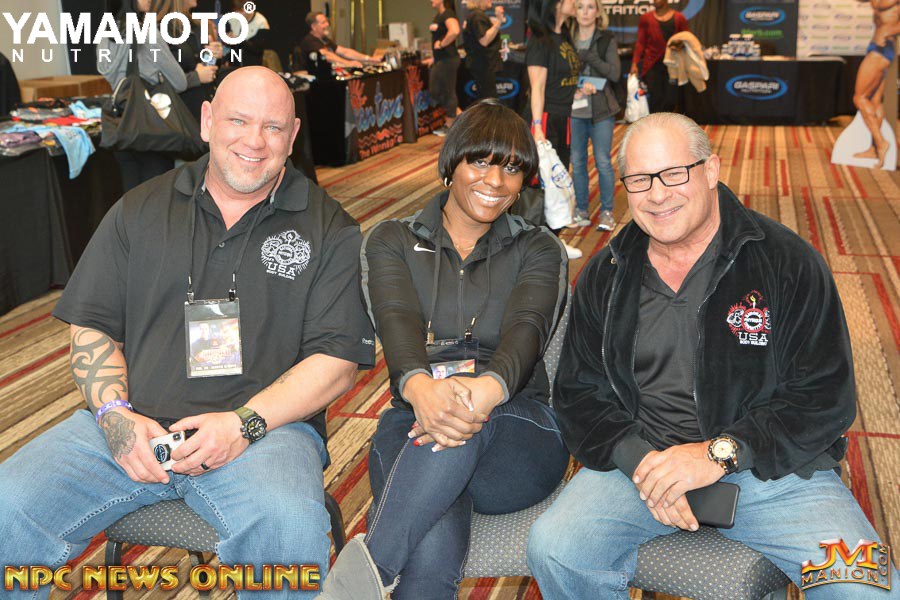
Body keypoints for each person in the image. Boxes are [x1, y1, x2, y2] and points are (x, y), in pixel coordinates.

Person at [0, 67, 375, 599]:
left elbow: (336, 362)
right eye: (238, 121)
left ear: (293, 136)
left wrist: (243, 425)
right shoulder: (139, 209)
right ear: (206, 121)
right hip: (132, 423)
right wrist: (115, 416)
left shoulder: (329, 228)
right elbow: (92, 326)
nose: (254, 140)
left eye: (272, 127)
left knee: (287, 529)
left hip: (264, 433)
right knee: (8, 504)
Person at [526, 112, 897, 599]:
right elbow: (579, 394)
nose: (657, 194)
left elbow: (825, 396)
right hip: (643, 467)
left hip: (775, 472)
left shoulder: (787, 261)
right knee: (555, 547)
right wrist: (643, 464)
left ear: (711, 170)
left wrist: (717, 453)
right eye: (639, 180)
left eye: (673, 173)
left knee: (867, 587)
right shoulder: (607, 272)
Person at [318, 99, 570, 600]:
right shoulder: (390, 240)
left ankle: (362, 576)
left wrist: (474, 395)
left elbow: (527, 333)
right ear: (451, 162)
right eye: (481, 161)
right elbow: (397, 323)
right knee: (429, 543)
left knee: (458, 426)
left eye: (512, 169)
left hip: (516, 436)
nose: (495, 181)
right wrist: (420, 390)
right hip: (416, 420)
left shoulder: (539, 248)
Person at [97, 0, 190, 192]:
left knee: (132, 196)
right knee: (158, 196)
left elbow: (105, 71)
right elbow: (180, 82)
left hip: (121, 125)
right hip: (152, 127)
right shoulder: (147, 32)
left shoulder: (105, 34)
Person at [568, 0, 620, 231]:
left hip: (601, 110)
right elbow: (559, 73)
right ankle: (581, 209)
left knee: (603, 161)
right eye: (580, 7)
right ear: (574, 11)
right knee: (578, 162)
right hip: (574, 109)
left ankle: (607, 211)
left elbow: (615, 73)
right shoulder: (566, 38)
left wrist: (591, 58)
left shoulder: (606, 38)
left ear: (598, 11)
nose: (585, 12)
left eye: (590, 7)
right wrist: (575, 87)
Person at [852, 0, 899, 169]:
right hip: (877, 46)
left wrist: (889, 31)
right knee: (874, 100)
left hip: (882, 48)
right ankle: (874, 149)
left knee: (860, 98)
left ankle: (881, 143)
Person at [167, 0, 222, 121]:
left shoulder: (197, 25)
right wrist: (195, 77)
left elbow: (208, 68)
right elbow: (158, 80)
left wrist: (214, 56)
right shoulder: (161, 30)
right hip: (180, 113)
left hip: (204, 105)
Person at [630, 0, 687, 114]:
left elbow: (686, 38)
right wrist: (634, 63)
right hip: (652, 65)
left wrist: (680, 45)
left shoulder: (679, 18)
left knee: (671, 99)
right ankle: (657, 123)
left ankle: (666, 120)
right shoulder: (646, 18)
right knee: (656, 99)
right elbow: (640, 42)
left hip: (673, 65)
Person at [424, 0, 461, 136]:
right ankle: (459, 115)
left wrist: (442, 44)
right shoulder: (438, 16)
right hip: (441, 59)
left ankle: (450, 124)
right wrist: (434, 57)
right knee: (435, 91)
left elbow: (455, 31)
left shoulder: (448, 14)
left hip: (448, 59)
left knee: (447, 91)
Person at [297, 12, 376, 71]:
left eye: (327, 21)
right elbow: (326, 55)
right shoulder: (309, 41)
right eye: (323, 22)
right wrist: (348, 63)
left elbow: (344, 52)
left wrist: (369, 58)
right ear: (314, 27)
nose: (327, 24)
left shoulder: (324, 39)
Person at [462, 0, 504, 100]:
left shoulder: (476, 15)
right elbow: (484, 40)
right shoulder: (477, 16)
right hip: (483, 64)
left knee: (486, 97)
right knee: (489, 98)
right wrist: (498, 22)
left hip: (482, 63)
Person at [226, 0, 272, 68]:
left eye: (240, 11)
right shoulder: (232, 19)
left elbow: (257, 49)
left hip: (252, 65)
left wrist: (239, 40)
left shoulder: (261, 23)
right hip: (234, 64)